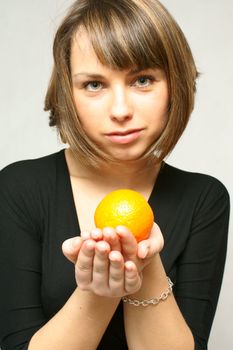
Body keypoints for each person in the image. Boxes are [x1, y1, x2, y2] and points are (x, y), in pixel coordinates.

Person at [0, 0, 230, 349]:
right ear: (67, 93)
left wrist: (145, 264)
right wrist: (98, 290)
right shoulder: (18, 189)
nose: (120, 110)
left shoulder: (204, 198)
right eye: (94, 84)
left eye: (142, 79)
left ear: (174, 84)